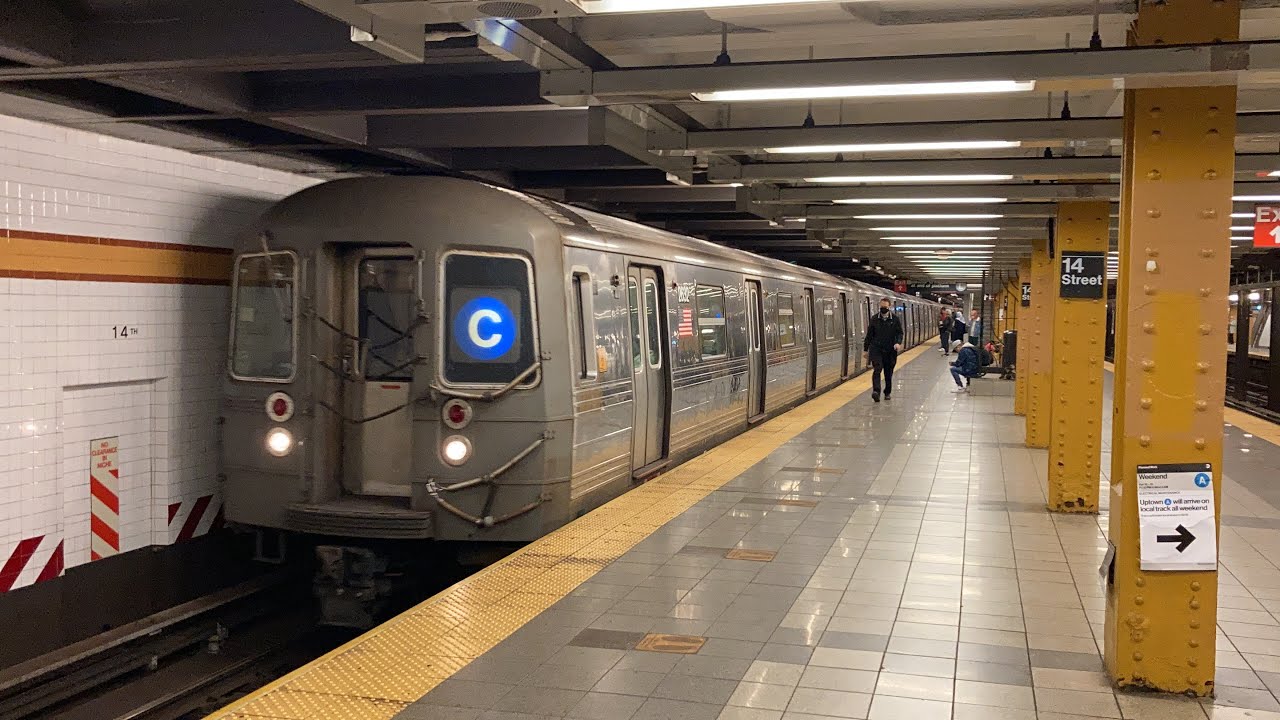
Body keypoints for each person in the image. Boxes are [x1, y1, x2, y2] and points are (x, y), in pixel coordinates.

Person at [864, 297, 903, 403]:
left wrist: (898, 343)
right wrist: (865, 349)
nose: (883, 309)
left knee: (888, 372)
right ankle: (876, 391)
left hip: (890, 350)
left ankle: (887, 392)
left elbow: (899, 332)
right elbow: (869, 335)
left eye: (885, 307)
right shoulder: (874, 319)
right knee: (877, 369)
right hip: (876, 348)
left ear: (889, 306)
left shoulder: (895, 319)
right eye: (881, 307)